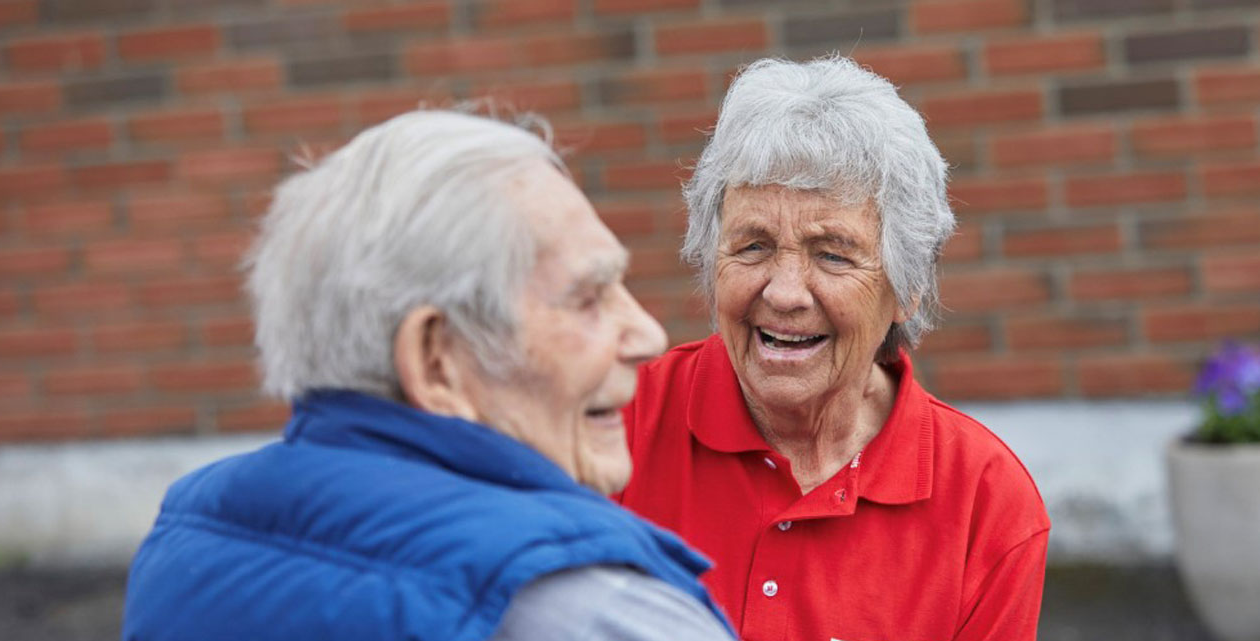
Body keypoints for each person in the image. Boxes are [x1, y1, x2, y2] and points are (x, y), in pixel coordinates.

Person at [122, 110, 734, 641]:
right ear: (437, 360)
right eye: (589, 298)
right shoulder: (590, 613)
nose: (647, 334)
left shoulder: (191, 544)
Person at [616, 56, 1052, 640]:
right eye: (752, 246)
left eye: (832, 254)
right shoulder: (615, 421)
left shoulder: (984, 500)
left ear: (908, 287)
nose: (785, 291)